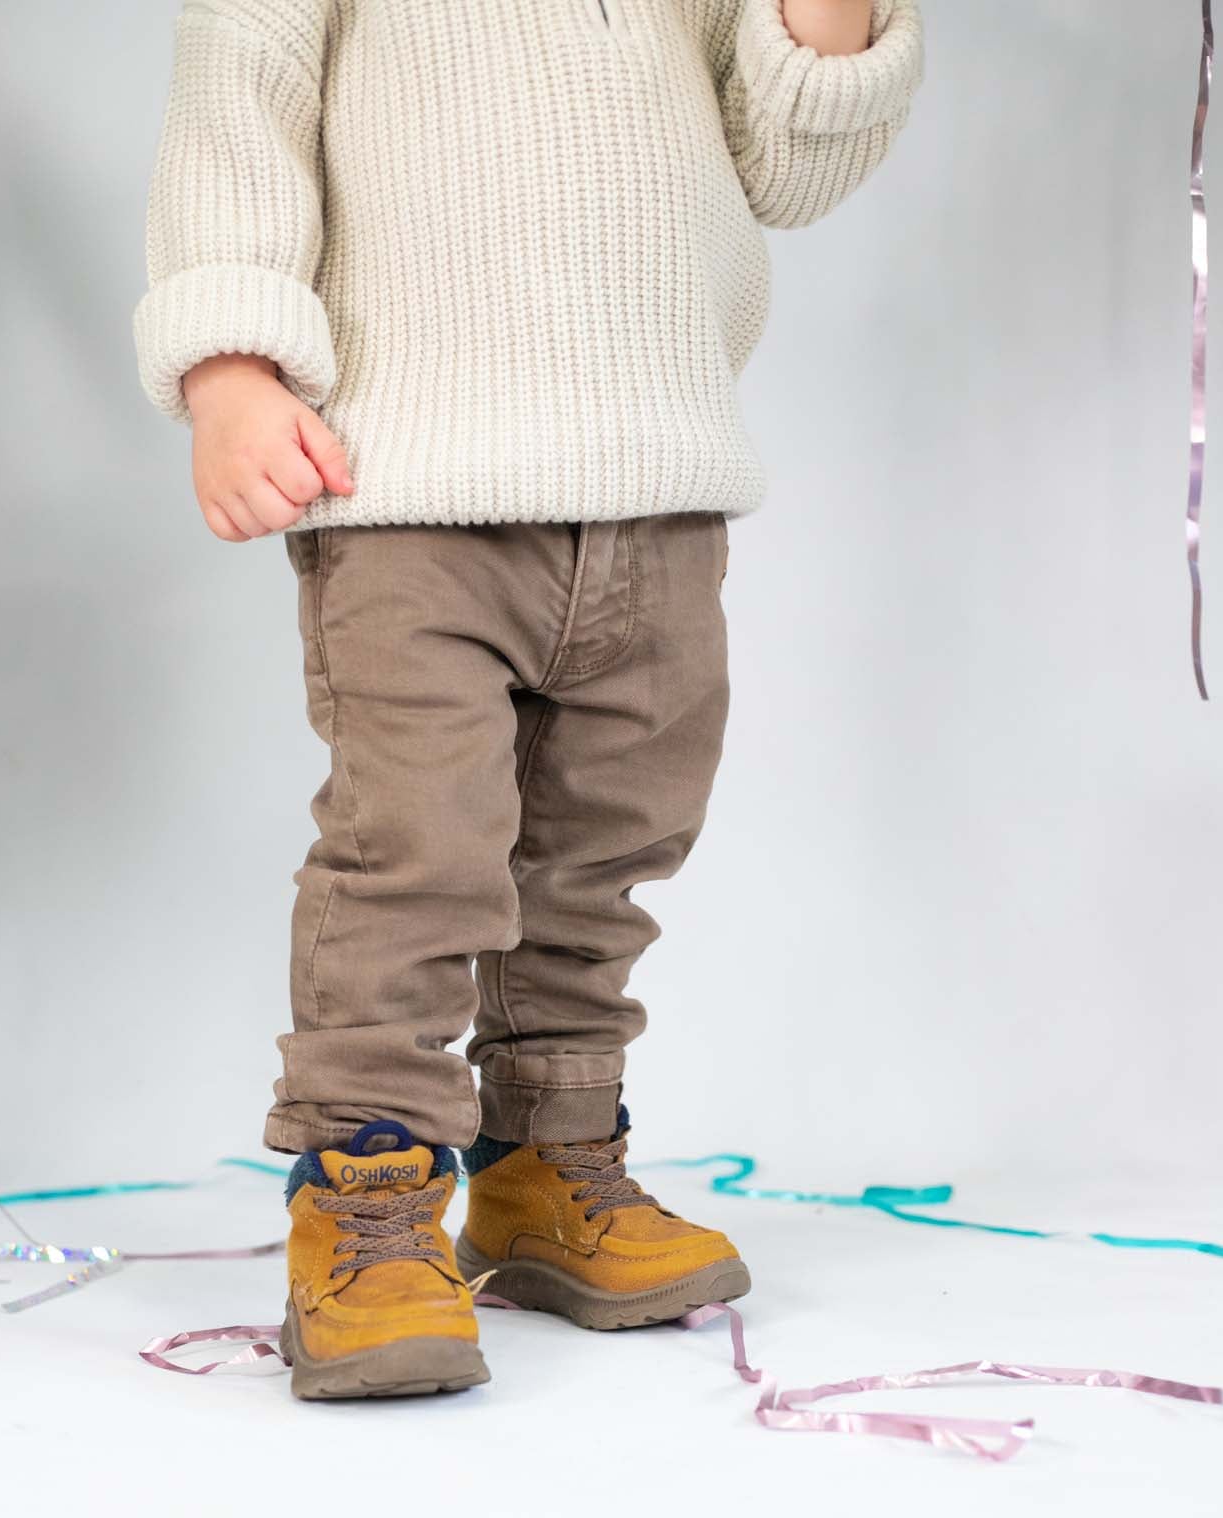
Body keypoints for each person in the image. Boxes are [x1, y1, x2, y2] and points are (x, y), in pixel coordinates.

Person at [134, 0, 924, 1401]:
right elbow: (238, 99)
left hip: (658, 482)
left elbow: (790, 164)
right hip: (409, 491)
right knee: (413, 853)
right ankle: (366, 1195)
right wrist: (231, 367)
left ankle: (545, 1160)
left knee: (603, 857)